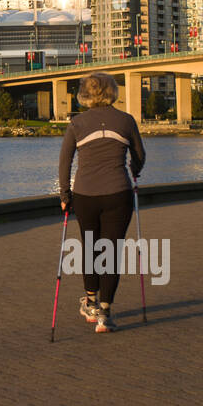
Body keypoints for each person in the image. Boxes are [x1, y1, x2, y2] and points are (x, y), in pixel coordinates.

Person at [58, 72, 146, 333]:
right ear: (113, 92)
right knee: (111, 250)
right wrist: (134, 170)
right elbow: (140, 155)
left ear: (84, 94)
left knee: (90, 248)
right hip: (119, 192)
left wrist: (65, 195)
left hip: (85, 195)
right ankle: (105, 313)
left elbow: (65, 163)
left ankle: (91, 302)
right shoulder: (126, 121)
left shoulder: (76, 123)